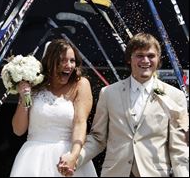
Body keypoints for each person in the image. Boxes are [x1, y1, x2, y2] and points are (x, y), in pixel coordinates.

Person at [57, 32, 189, 177]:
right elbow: (97, 138)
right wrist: (75, 159)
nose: (145, 60)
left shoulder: (175, 96)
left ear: (158, 59)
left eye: (151, 56)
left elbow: (178, 149)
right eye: (139, 55)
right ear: (129, 59)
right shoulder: (108, 93)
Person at [9, 39, 97, 176]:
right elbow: (18, 130)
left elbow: (80, 123)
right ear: (50, 62)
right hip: (33, 159)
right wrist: (25, 95)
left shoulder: (80, 85)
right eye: (62, 60)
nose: (68, 66)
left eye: (72, 61)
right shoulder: (35, 85)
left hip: (66, 156)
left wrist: (74, 155)